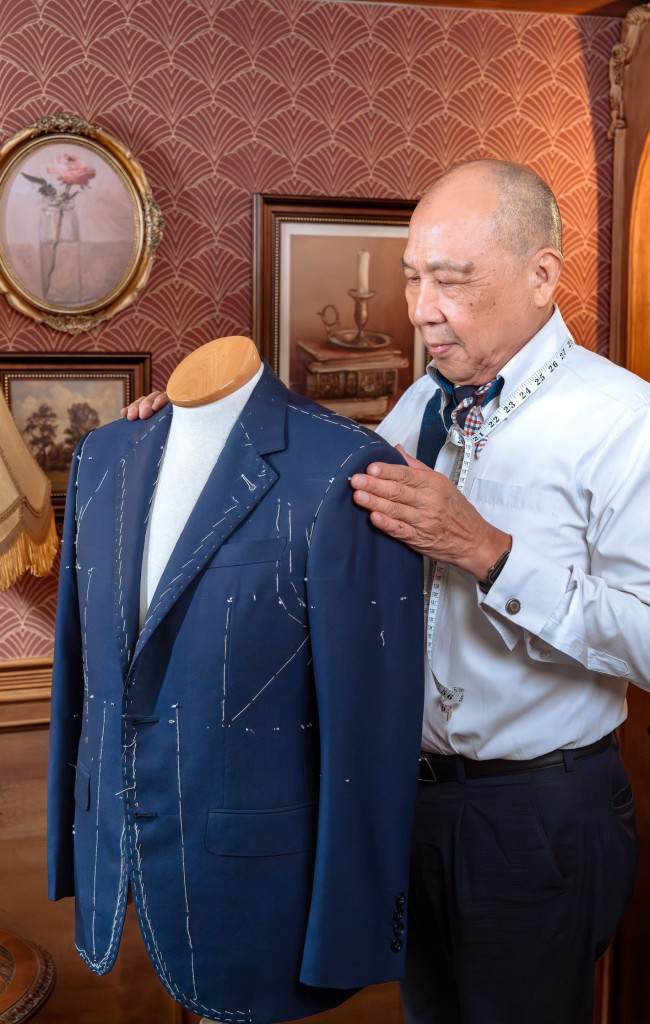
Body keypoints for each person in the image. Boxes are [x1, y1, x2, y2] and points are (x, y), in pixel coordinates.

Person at [122, 160, 648, 1024]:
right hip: (402, 798)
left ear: (542, 275)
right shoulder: (416, 410)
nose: (420, 309)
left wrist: (487, 552)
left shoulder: (627, 423)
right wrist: (187, 442)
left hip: (535, 819)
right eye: (412, 277)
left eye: (451, 280)